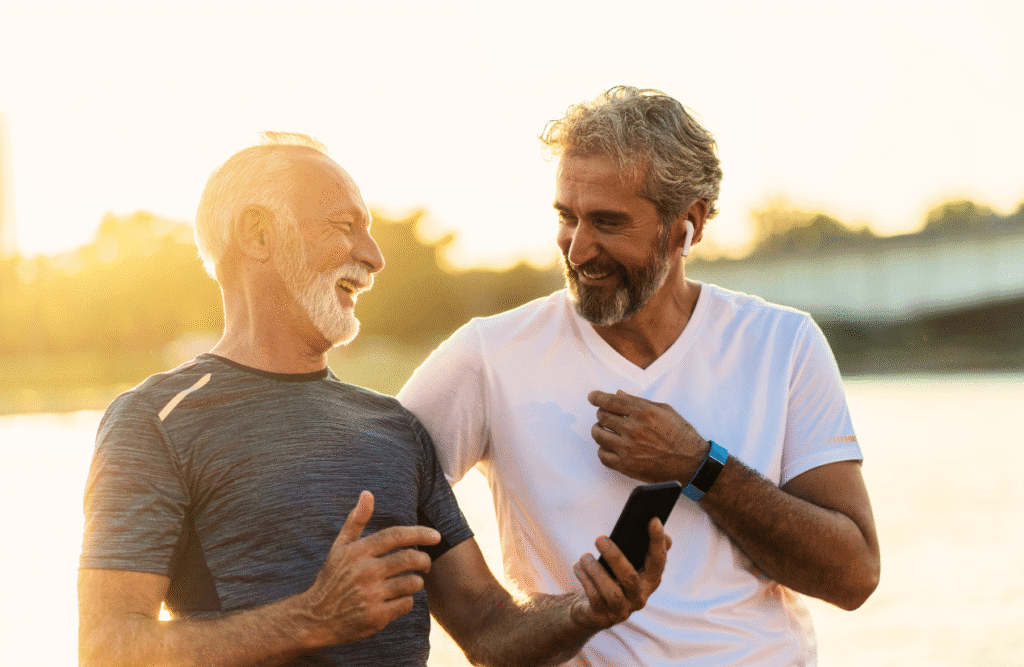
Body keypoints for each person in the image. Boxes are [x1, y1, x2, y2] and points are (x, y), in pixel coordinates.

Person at [77, 132, 671, 667]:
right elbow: (107, 649)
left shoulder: (394, 427)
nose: (374, 256)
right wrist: (311, 618)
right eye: (344, 225)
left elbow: (490, 633)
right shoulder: (155, 421)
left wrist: (587, 612)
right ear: (258, 233)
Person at [398, 87, 881, 666]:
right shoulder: (486, 356)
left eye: (607, 222)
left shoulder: (783, 343)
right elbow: (376, 492)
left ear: (688, 226)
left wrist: (701, 466)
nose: (578, 250)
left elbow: (853, 578)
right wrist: (491, 620)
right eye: (566, 217)